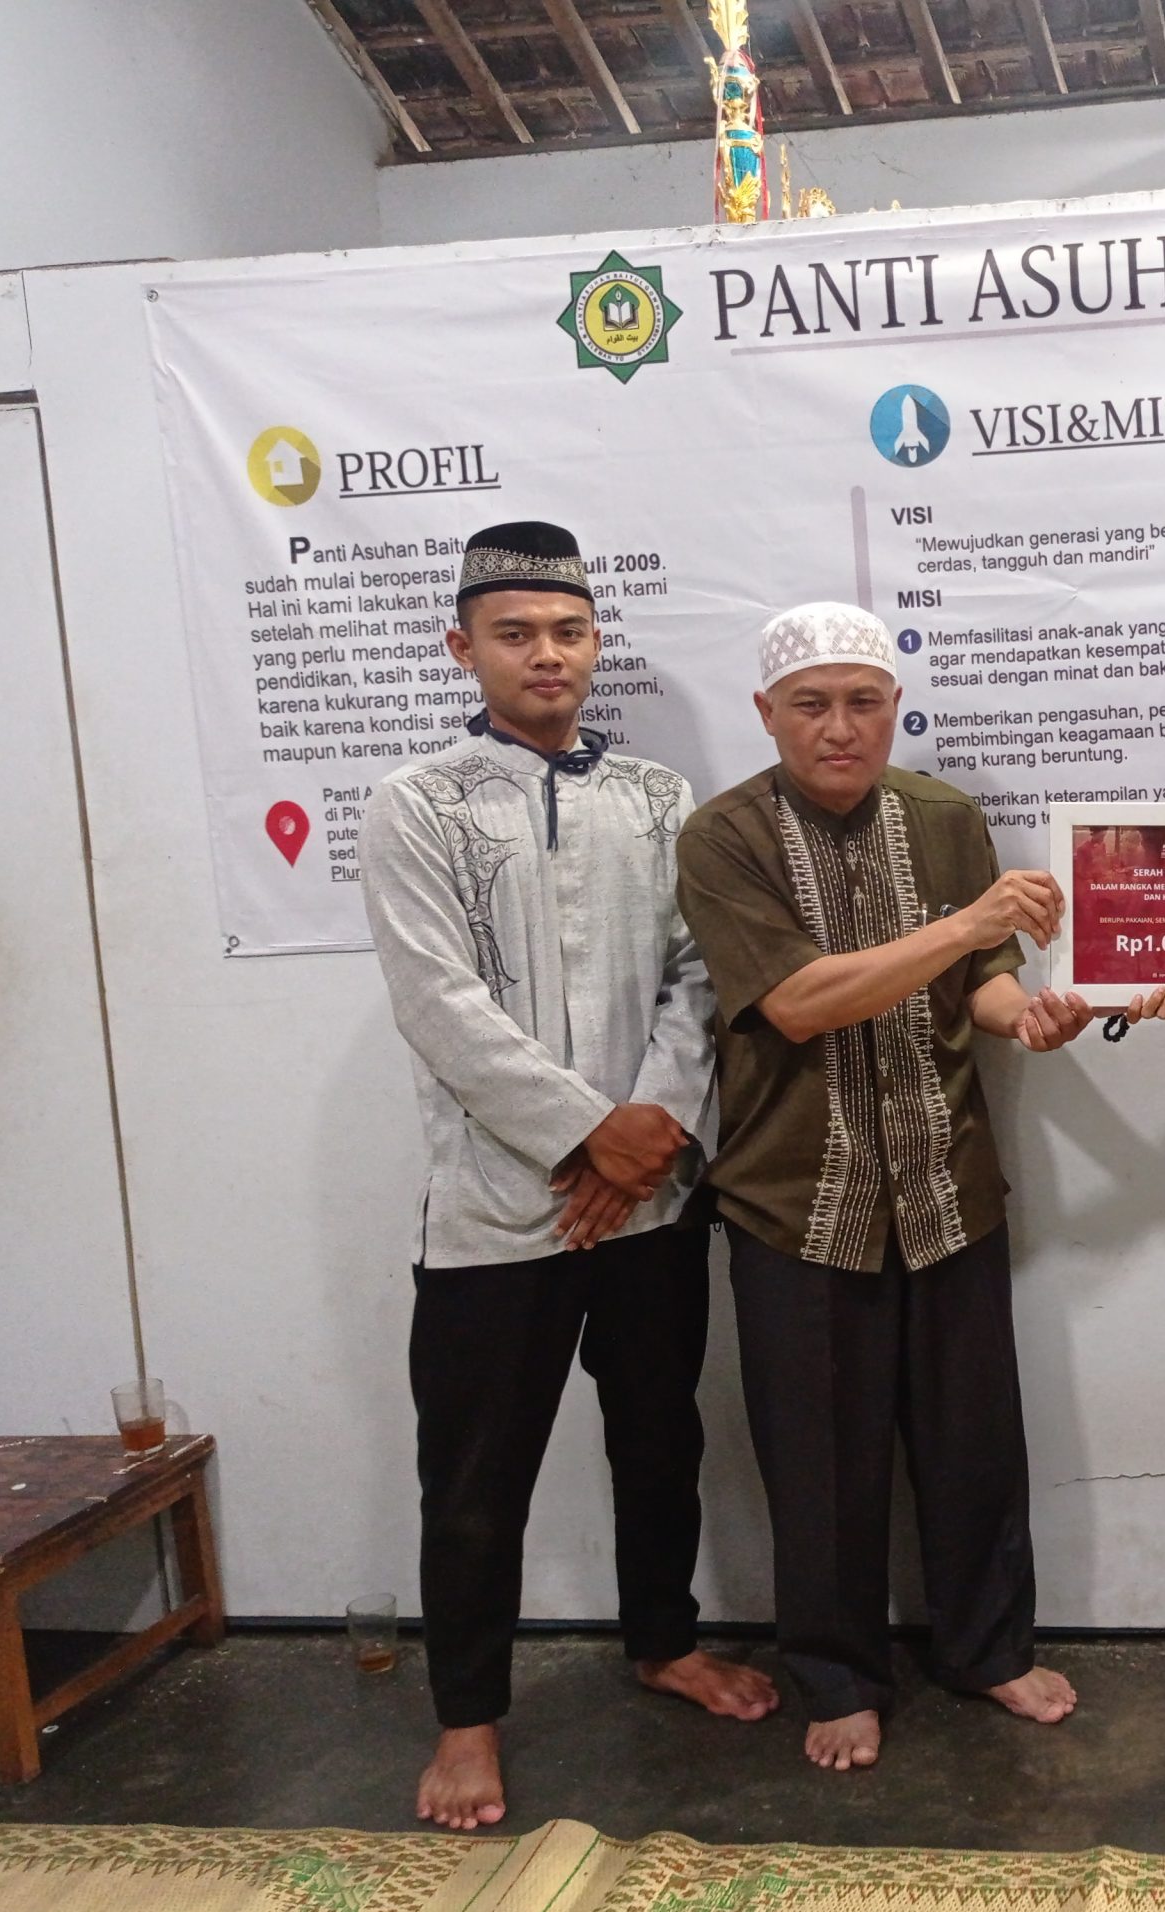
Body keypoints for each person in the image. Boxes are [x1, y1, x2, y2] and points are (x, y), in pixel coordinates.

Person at [674, 601, 1165, 1772]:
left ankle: (988, 1648)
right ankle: (838, 1676)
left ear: (895, 707)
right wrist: (964, 930)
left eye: (863, 702)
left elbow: (986, 982)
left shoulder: (946, 818)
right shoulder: (722, 837)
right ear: (766, 713)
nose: (840, 728)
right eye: (811, 705)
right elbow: (797, 1002)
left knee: (974, 1446)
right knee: (819, 1463)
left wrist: (1033, 1017)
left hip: (947, 1187)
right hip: (797, 1202)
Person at [362, 520, 779, 1832]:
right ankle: (468, 1717)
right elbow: (439, 1002)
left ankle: (663, 1639)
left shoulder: (655, 799)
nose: (546, 654)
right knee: (475, 1476)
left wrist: (650, 1130)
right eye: (515, 633)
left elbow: (698, 975)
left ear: (597, 641)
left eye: (568, 630)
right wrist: (588, 1136)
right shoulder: (418, 802)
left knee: (660, 1435)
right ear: (463, 646)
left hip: (653, 1196)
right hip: (500, 1208)